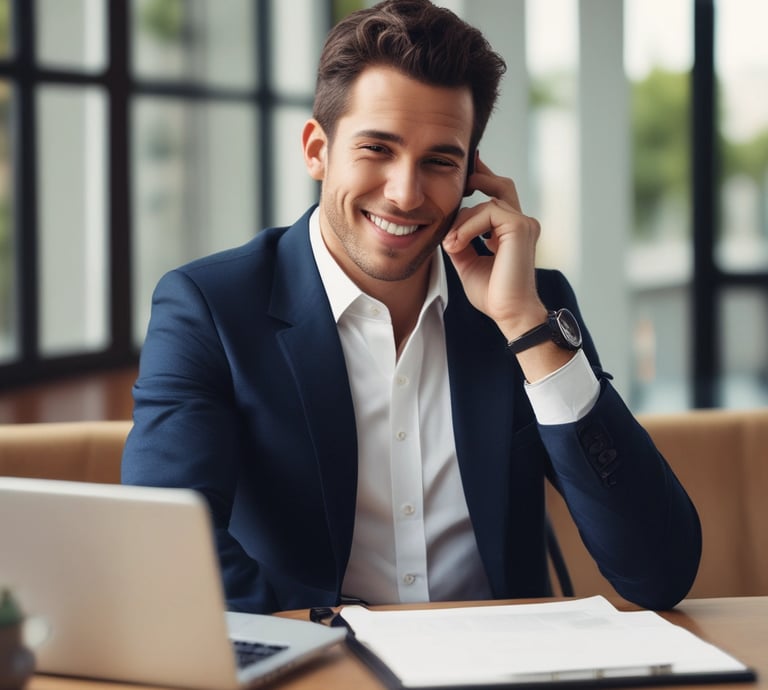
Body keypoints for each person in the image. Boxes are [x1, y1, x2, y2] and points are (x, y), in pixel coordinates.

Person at [122, 0, 701, 614]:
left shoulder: (532, 305)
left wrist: (525, 329)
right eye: (377, 148)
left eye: (440, 161)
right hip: (321, 657)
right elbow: (165, 541)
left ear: (473, 176)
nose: (404, 194)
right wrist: (332, 639)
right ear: (317, 149)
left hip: (504, 660)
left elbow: (660, 572)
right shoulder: (210, 309)